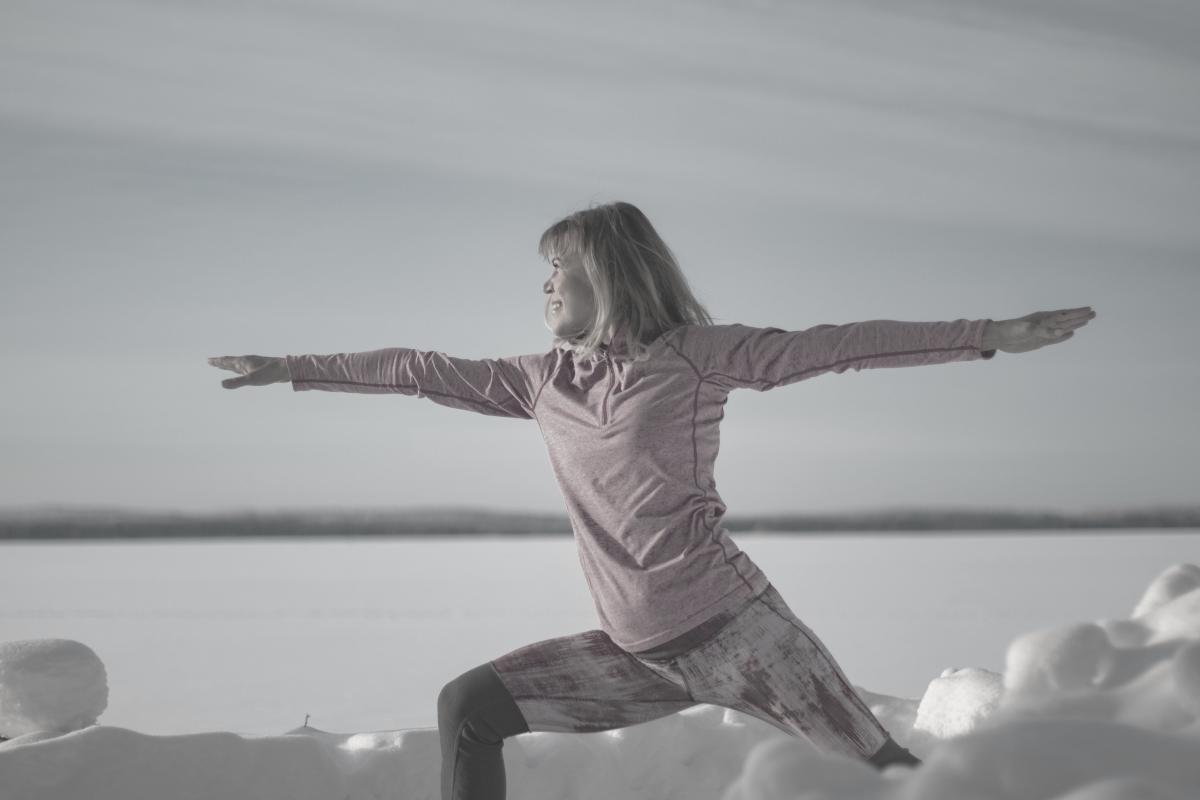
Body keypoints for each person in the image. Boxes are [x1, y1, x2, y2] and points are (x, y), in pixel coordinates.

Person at [209, 201, 1096, 799]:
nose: (545, 285)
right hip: (634, 653)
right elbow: (417, 370)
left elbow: (835, 346)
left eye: (558, 267)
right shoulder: (540, 382)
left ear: (607, 270)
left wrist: (988, 336)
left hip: (744, 638)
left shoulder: (696, 355)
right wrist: (294, 368)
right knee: (469, 707)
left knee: (892, 780)